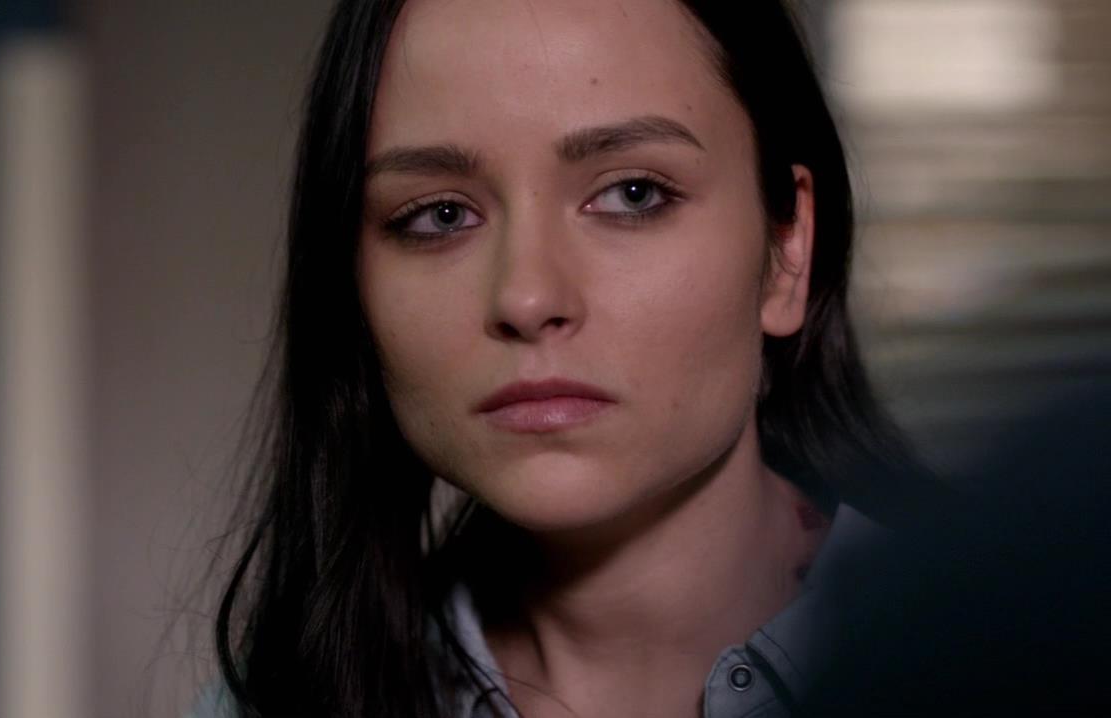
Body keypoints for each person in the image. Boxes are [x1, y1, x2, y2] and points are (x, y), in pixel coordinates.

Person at [199, 1, 946, 716]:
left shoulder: (996, 664)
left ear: (787, 250)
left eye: (632, 194)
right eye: (441, 215)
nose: (527, 297)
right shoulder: (266, 706)